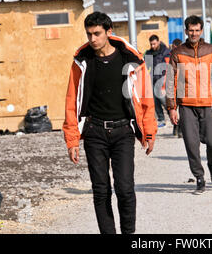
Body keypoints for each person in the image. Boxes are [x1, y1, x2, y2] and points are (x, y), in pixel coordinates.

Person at [63, 12, 157, 234]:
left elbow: (145, 99)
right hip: (95, 132)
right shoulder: (82, 62)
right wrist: (72, 139)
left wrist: (150, 132)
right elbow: (71, 100)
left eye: (97, 34)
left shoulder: (130, 60)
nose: (92, 39)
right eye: (89, 34)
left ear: (109, 32)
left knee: (124, 189)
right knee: (101, 190)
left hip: (123, 131)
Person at [166, 15, 212, 195]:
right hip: (186, 105)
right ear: (186, 31)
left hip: (210, 103)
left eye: (197, 30)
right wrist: (172, 107)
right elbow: (170, 81)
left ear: (201, 31)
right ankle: (199, 178)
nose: (194, 33)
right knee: (191, 144)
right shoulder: (178, 52)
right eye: (191, 30)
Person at [145, 35, 171, 128]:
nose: (152, 46)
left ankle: (172, 115)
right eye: (151, 44)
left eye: (154, 44)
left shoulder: (166, 52)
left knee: (163, 99)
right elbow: (147, 68)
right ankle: (161, 119)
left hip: (163, 79)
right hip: (152, 80)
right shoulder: (148, 53)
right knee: (155, 101)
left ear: (158, 42)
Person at [170, 38, 183, 138]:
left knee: (182, 109)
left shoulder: (184, 55)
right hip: (173, 85)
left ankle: (180, 130)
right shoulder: (170, 56)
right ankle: (175, 127)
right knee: (173, 107)